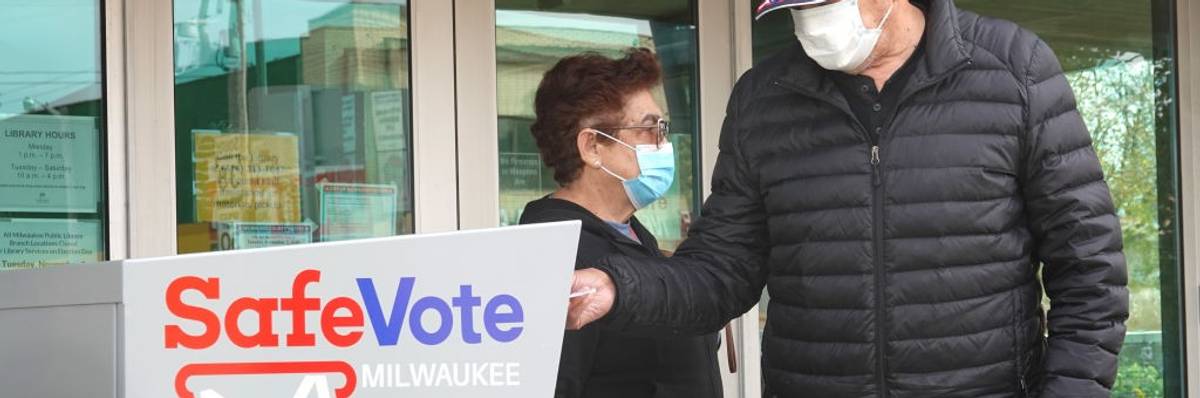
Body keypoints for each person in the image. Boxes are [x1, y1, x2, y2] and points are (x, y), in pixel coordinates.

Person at [566, 0, 1129, 397]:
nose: (810, 25)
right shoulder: (765, 99)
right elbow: (722, 270)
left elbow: (1090, 271)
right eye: (795, 9)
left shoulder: (1014, 71)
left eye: (823, 4)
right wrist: (618, 286)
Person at [521, 48, 722, 398]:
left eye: (664, 128)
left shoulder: (632, 237)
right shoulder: (556, 257)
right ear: (593, 147)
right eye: (649, 130)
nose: (664, 144)